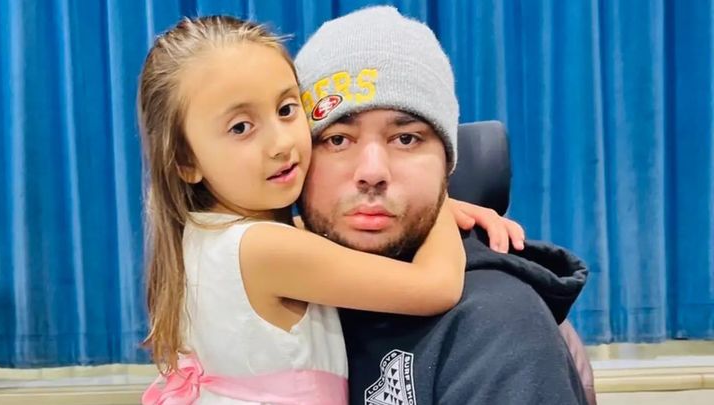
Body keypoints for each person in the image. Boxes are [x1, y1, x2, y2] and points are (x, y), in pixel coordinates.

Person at [137, 15, 525, 404]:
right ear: (186, 161)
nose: (281, 143)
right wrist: (432, 201)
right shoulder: (264, 250)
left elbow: (300, 233)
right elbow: (436, 287)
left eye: (286, 109)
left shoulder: (207, 234)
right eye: (241, 128)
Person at [295, 6, 590, 404]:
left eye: (406, 139)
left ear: (446, 167)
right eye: (337, 140)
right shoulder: (263, 289)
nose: (372, 172)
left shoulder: (494, 327)